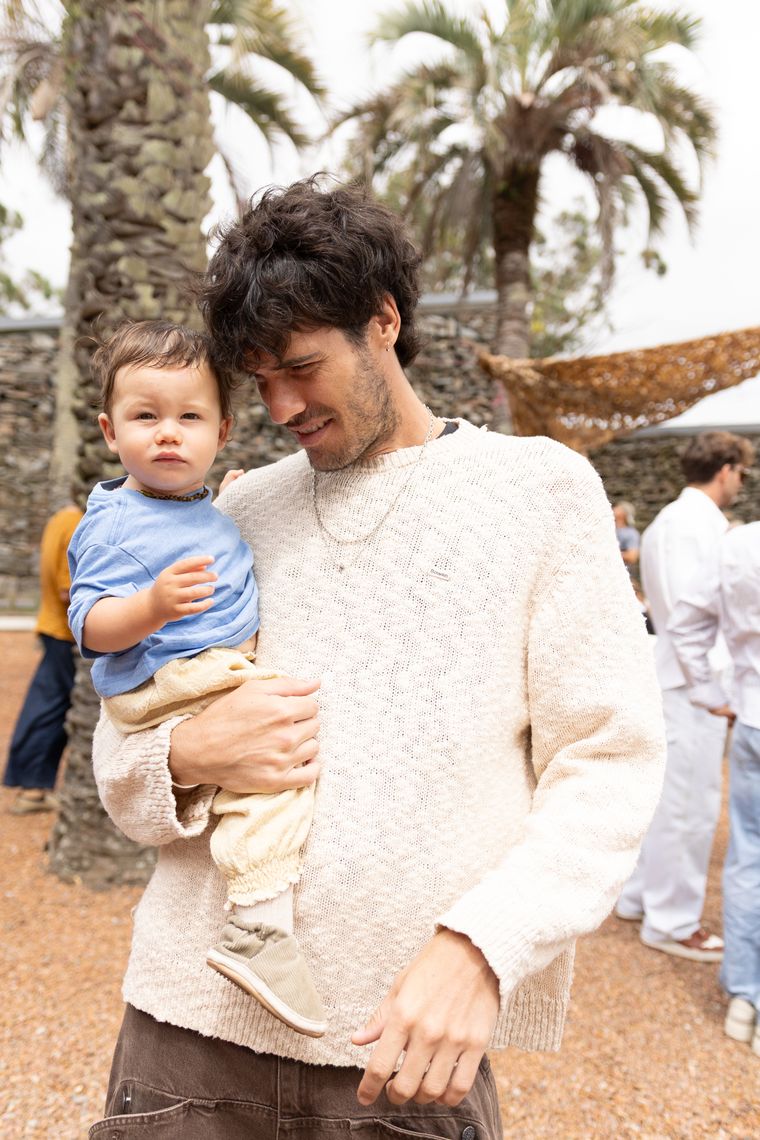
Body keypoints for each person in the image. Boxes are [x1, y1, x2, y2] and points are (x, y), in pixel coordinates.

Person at [88, 178, 665, 1139]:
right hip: (183, 1040)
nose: (279, 406)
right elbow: (120, 761)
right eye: (257, 379)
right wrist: (187, 757)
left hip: (398, 1061)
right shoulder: (230, 508)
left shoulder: (541, 492)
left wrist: (486, 947)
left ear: (384, 321)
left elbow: (610, 760)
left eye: (301, 367)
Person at [67, 320, 327, 1037]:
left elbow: (200, 527)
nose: (168, 435)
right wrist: (148, 607)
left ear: (223, 431)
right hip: (172, 673)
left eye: (190, 418)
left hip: (200, 665)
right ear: (110, 431)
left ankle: (258, 923)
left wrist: (224, 503)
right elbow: (87, 624)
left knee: (269, 751)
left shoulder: (195, 506)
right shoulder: (113, 523)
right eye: (145, 417)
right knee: (278, 766)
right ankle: (258, 923)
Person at [616, 430, 754, 960]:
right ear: (724, 470)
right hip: (690, 686)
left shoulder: (685, 521)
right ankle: (672, 920)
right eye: (740, 472)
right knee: (690, 806)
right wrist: (716, 689)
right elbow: (682, 613)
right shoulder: (689, 524)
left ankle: (640, 897)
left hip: (685, 682)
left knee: (672, 801)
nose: (741, 481)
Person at [668, 521, 760, 1054]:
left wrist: (712, 692)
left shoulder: (739, 545)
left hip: (752, 720)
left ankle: (746, 996)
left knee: (749, 856)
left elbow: (684, 624)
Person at [3, 499, 83, 813]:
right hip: (64, 633)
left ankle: (31, 786)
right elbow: (68, 589)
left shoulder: (59, 517)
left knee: (46, 703)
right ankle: (32, 790)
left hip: (53, 629)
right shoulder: (76, 523)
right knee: (51, 708)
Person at [613, 501, 640, 572]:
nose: (614, 508)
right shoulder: (609, 529)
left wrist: (609, 554)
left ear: (623, 513)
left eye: (619, 508)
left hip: (620, 572)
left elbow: (632, 556)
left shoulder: (630, 533)